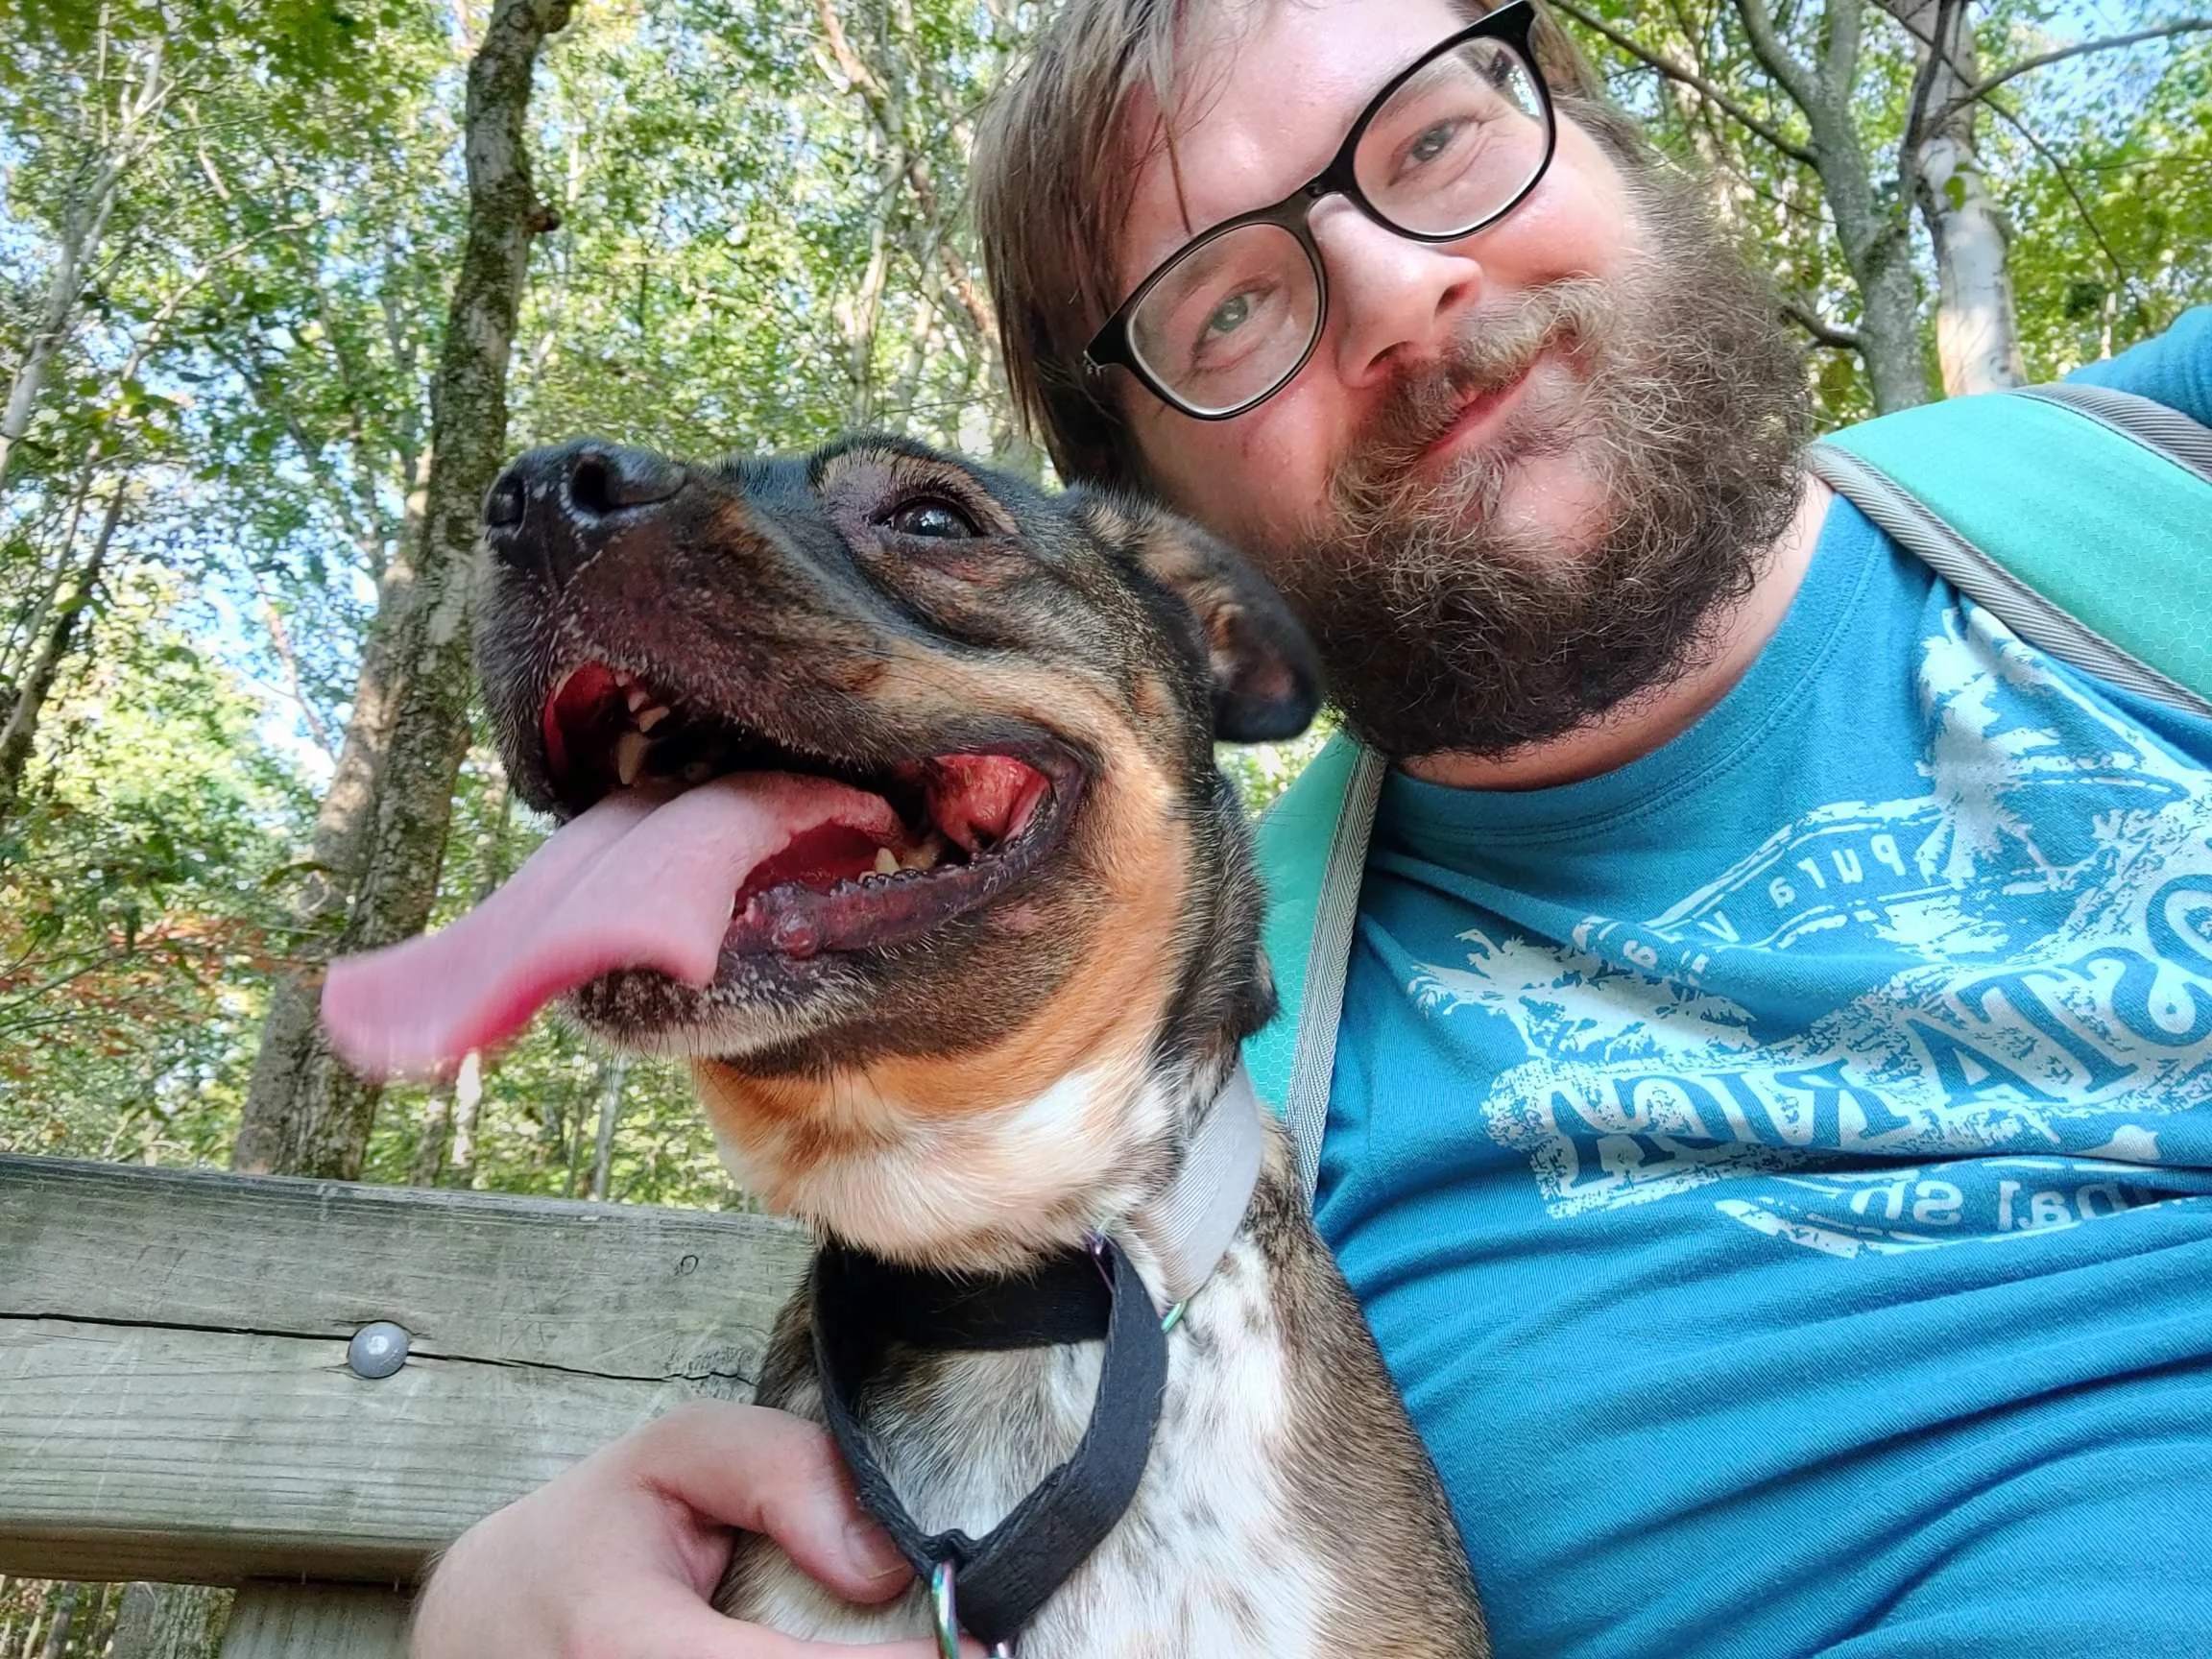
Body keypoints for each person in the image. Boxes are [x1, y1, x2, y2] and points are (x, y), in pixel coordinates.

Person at [412, 0, 2212, 1654]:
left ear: (1601, 135)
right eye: (1231, 306)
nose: (1402, 283)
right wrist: (490, 1608)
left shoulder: (2149, 475)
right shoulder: (1187, 1087)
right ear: (1164, 556)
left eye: (1435, 139)